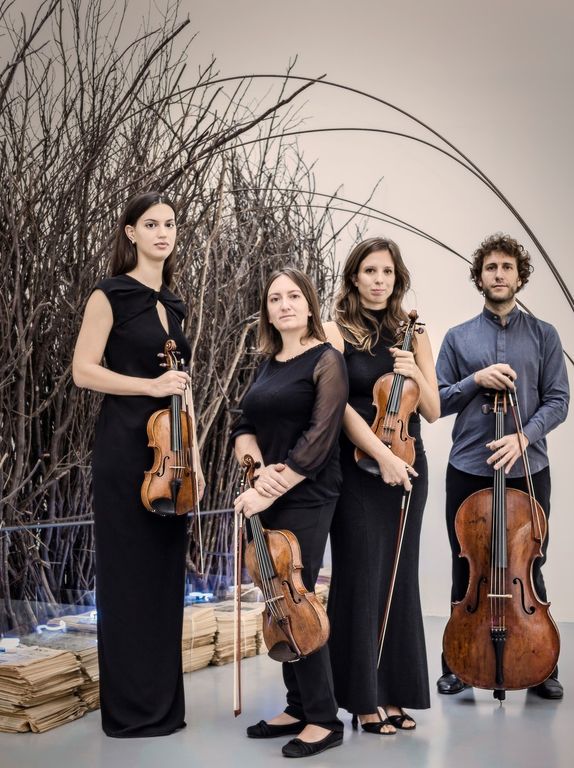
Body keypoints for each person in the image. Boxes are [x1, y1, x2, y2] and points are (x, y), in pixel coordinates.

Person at [72, 190, 205, 736]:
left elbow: (183, 387)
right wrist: (149, 386)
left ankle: (163, 707)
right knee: (127, 577)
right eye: (150, 224)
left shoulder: (175, 305)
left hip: (173, 456)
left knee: (164, 577)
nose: (162, 233)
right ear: (131, 233)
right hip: (126, 450)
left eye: (169, 224)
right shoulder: (109, 294)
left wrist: (196, 458)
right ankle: (129, 713)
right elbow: (83, 370)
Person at [435, 233, 569, 699]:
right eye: (490, 267)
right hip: (469, 466)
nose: (498, 274)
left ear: (519, 276)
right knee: (466, 564)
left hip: (527, 468)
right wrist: (475, 379)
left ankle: (539, 666)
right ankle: (458, 664)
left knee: (529, 564)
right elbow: (438, 400)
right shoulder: (458, 337)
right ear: (480, 277)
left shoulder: (545, 335)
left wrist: (522, 437)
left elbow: (559, 401)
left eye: (506, 267)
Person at [325, 238, 440, 735]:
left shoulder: (415, 334)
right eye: (370, 271)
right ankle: (361, 699)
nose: (379, 280)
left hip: (409, 465)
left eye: (387, 272)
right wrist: (381, 454)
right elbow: (337, 406)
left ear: (398, 279)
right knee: (360, 576)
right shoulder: (335, 331)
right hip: (358, 466)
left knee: (399, 577)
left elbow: (432, 410)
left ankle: (394, 693)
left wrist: (415, 371)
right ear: (354, 277)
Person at [232, 267, 347, 758]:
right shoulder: (268, 363)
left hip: (309, 493)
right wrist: (257, 473)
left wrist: (270, 490)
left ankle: (324, 718)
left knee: (297, 597)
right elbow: (242, 425)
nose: (284, 305)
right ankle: (297, 705)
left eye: (294, 296)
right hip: (268, 490)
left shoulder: (326, 359)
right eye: (275, 298)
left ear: (309, 304)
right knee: (276, 593)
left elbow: (321, 437)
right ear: (267, 311)